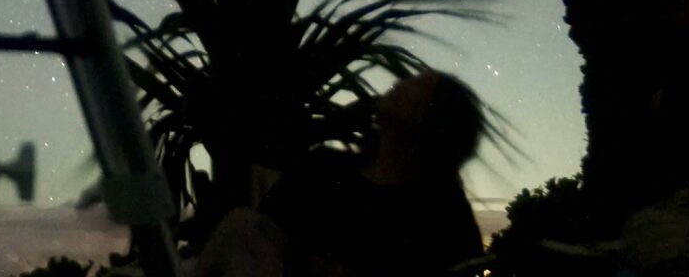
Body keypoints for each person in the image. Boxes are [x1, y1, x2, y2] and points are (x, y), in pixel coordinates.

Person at [191, 70, 486, 277]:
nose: (400, 83)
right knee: (242, 223)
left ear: (439, 121)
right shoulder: (321, 168)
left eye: (418, 86)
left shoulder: (444, 210)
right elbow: (262, 237)